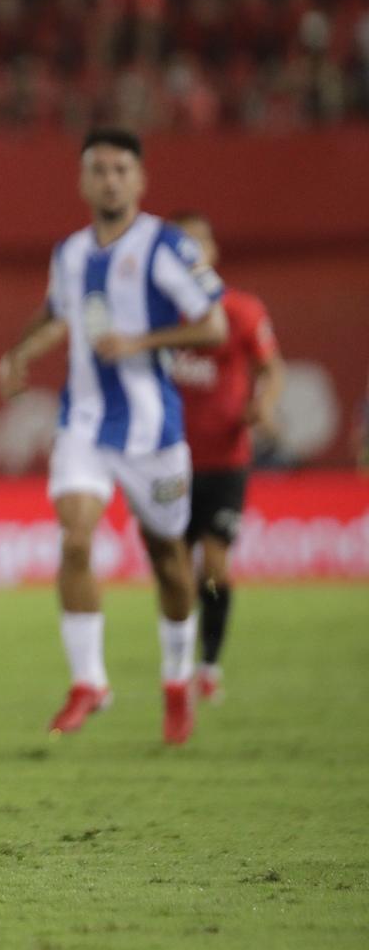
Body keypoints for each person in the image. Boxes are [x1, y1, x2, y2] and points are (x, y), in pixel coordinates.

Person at [0, 129, 227, 746]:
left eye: (121, 169)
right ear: (82, 181)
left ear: (140, 179)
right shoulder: (69, 253)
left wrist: (140, 343)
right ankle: (89, 681)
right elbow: (59, 313)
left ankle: (176, 682)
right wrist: (18, 354)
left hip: (154, 434)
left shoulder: (166, 246)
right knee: (75, 541)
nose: (109, 180)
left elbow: (214, 326)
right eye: (98, 170)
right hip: (85, 425)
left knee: (170, 564)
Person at [165, 211, 283, 702]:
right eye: (182, 247)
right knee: (174, 572)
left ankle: (208, 666)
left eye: (199, 246)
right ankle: (178, 665)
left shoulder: (242, 312)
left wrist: (263, 404)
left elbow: (270, 369)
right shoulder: (157, 317)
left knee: (213, 567)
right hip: (168, 461)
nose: (192, 255)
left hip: (225, 460)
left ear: (213, 253)